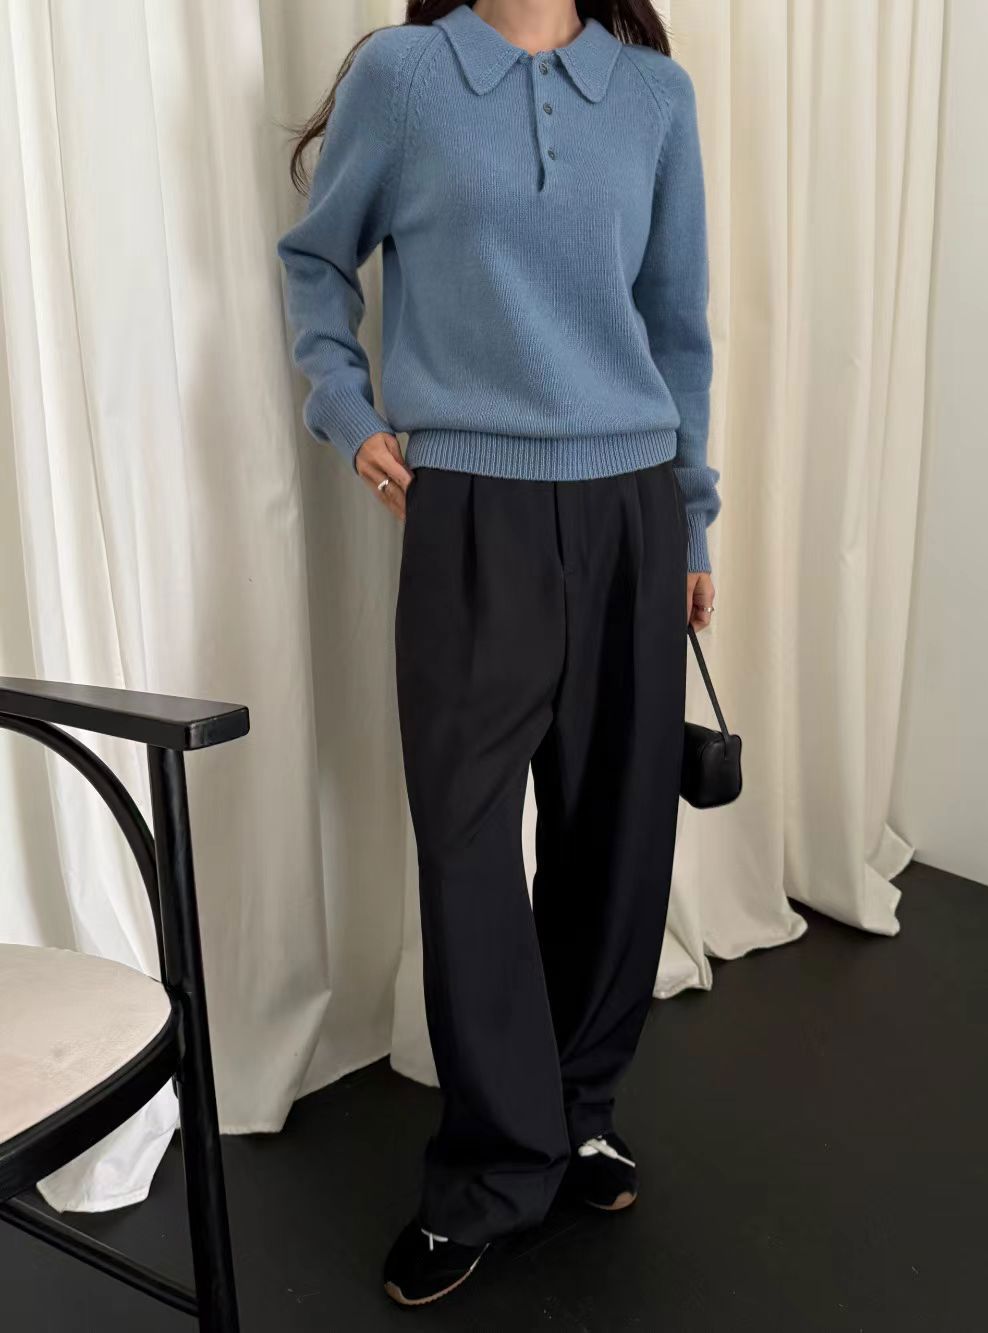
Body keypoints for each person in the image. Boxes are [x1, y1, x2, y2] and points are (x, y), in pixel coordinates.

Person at [276, 0, 720, 1308]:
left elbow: (677, 324)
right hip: (471, 505)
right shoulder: (407, 78)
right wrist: (346, 406)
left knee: (616, 834)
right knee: (467, 844)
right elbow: (316, 259)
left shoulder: (655, 97)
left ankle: (579, 1113)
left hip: (633, 503)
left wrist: (693, 518)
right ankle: (490, 1167)